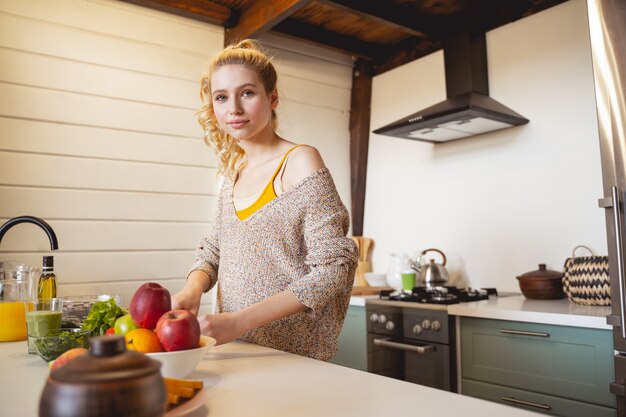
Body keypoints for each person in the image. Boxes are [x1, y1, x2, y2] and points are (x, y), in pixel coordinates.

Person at [172, 39, 358, 361]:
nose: (234, 109)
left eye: (247, 93)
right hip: (237, 351)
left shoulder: (301, 161)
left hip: (292, 355)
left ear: (272, 98)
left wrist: (239, 321)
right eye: (221, 97)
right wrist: (193, 288)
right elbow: (215, 248)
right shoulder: (234, 174)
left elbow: (333, 269)